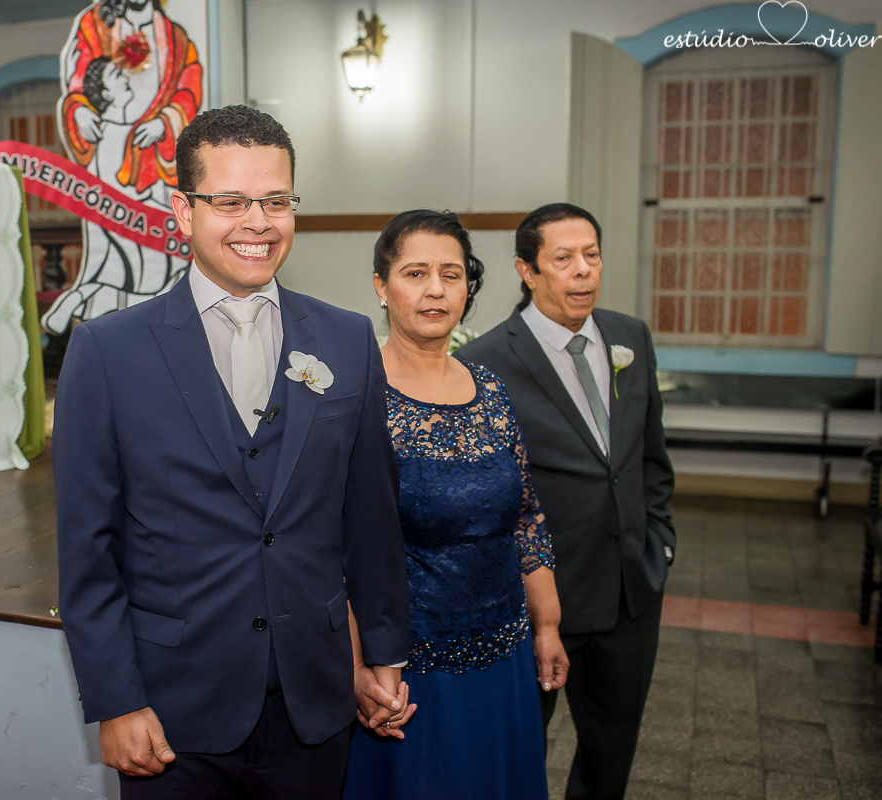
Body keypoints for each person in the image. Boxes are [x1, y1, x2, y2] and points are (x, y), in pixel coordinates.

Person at [53, 104, 410, 799]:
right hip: (171, 708)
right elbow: (88, 548)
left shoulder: (345, 340)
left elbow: (370, 518)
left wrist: (382, 654)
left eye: (276, 200)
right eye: (232, 201)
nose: (259, 221)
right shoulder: (108, 352)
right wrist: (117, 700)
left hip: (314, 697)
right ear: (183, 212)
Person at [343, 210, 569, 800]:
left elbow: (525, 516)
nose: (436, 289)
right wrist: (355, 666)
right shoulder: (356, 395)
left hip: (503, 653)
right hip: (406, 669)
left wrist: (547, 625)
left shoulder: (489, 389)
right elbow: (330, 550)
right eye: (415, 273)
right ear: (380, 286)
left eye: (452, 272)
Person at [455, 203, 676, 800]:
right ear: (528, 271)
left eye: (592, 256)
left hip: (631, 590)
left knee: (612, 753)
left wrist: (660, 543)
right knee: (519, 751)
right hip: (538, 599)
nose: (583, 271)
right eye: (564, 259)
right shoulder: (485, 364)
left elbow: (650, 459)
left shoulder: (630, 338)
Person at [44, 0, 202, 330]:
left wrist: (164, 123)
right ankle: (106, 315)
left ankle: (152, 314)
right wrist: (79, 110)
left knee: (158, 256)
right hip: (110, 152)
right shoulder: (94, 24)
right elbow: (80, 82)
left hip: (155, 162)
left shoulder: (174, 37)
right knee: (111, 244)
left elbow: (189, 88)